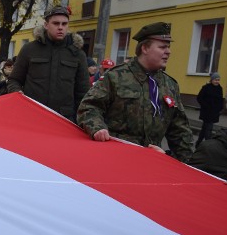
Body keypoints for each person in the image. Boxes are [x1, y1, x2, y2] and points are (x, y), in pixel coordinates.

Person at [77, 22, 193, 162]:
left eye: (168, 47)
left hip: (151, 162)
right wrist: (97, 128)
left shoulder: (170, 85)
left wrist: (188, 165)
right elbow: (89, 107)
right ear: (144, 48)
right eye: (162, 47)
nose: (168, 51)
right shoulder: (116, 77)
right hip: (113, 158)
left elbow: (180, 131)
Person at [7, 5, 89, 122]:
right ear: (46, 25)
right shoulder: (29, 49)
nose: (60, 27)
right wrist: (17, 93)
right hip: (31, 116)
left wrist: (83, 119)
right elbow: (14, 80)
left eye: (64, 24)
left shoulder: (77, 53)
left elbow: (83, 91)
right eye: (56, 23)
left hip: (64, 119)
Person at [195, 72, 223, 146]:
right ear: (212, 80)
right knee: (209, 128)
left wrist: (220, 107)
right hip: (206, 111)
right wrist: (205, 106)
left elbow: (220, 99)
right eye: (215, 80)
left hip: (214, 112)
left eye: (218, 80)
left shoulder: (220, 88)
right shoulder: (206, 88)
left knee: (205, 128)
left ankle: (198, 143)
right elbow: (199, 98)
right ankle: (208, 144)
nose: (217, 81)